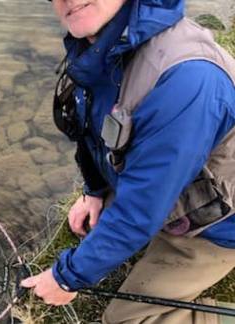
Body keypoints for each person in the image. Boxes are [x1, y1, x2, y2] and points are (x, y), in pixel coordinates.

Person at [20, 0, 235, 323]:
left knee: (123, 320)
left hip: (216, 224)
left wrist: (66, 277)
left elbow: (141, 210)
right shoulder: (99, 47)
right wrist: (94, 191)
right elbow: (90, 132)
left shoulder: (186, 78)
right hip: (167, 189)